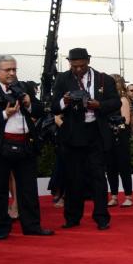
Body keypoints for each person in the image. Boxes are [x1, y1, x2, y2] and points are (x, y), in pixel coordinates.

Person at [50, 48, 119, 230]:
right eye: (74, 66)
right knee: (73, 178)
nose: (78, 69)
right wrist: (64, 102)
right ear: (69, 63)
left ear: (88, 61)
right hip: (72, 134)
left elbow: (116, 102)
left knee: (98, 177)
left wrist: (99, 105)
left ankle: (102, 217)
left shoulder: (104, 79)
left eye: (82, 65)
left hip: (95, 133)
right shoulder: (63, 79)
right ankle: (72, 217)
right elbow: (53, 106)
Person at [0, 55, 53, 239]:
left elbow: (41, 109)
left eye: (14, 69)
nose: (12, 73)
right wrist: (4, 114)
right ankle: (1, 228)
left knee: (28, 188)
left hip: (25, 143)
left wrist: (28, 103)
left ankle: (32, 226)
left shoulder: (23, 87)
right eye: (7, 70)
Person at [105, 74, 133, 208]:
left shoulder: (123, 100)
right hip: (109, 137)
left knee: (123, 167)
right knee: (110, 167)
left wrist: (113, 126)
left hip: (121, 138)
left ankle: (128, 196)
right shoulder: (107, 101)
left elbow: (126, 121)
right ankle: (114, 196)